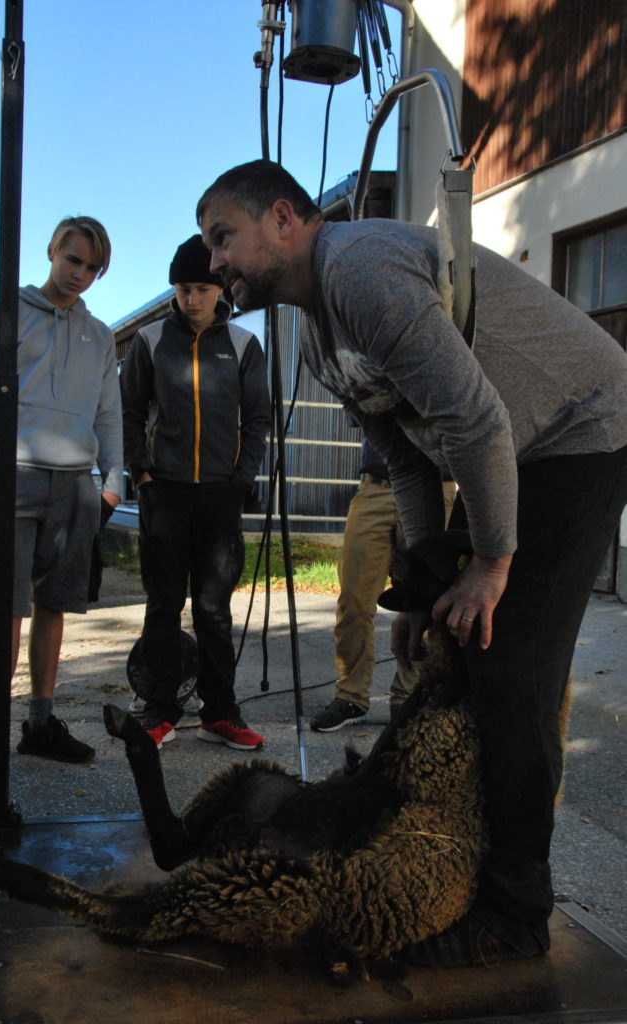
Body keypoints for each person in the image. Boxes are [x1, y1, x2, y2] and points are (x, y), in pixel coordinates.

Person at [196, 159, 627, 966]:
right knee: (452, 650)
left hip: (578, 429)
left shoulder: (359, 271)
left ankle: (514, 915)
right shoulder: (320, 334)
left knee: (511, 668)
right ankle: (448, 862)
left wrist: (492, 566)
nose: (215, 262)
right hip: (511, 446)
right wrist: (427, 585)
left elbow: (474, 419)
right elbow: (406, 458)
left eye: (223, 237)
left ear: (283, 219)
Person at [0, 215, 123, 770]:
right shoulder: (10, 313)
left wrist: (112, 483)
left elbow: (108, 412)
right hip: (15, 475)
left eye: (91, 267)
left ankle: (39, 722)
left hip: (75, 485)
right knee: (5, 609)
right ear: (52, 251)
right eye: (72, 259)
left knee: (54, 605)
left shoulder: (100, 335)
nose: (79, 273)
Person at [120, 234, 270, 751]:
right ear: (174, 291)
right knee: (164, 603)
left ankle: (219, 713)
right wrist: (142, 473)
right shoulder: (149, 341)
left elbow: (257, 418)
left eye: (202, 289)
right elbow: (130, 413)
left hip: (220, 495)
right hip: (165, 492)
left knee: (214, 608)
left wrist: (242, 479)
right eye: (184, 289)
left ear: (219, 289)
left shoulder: (245, 345)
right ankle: (161, 710)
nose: (193, 299)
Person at [312, 436, 454, 732]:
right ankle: (351, 695)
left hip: (433, 484)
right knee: (353, 598)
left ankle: (409, 694)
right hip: (376, 485)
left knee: (427, 597)